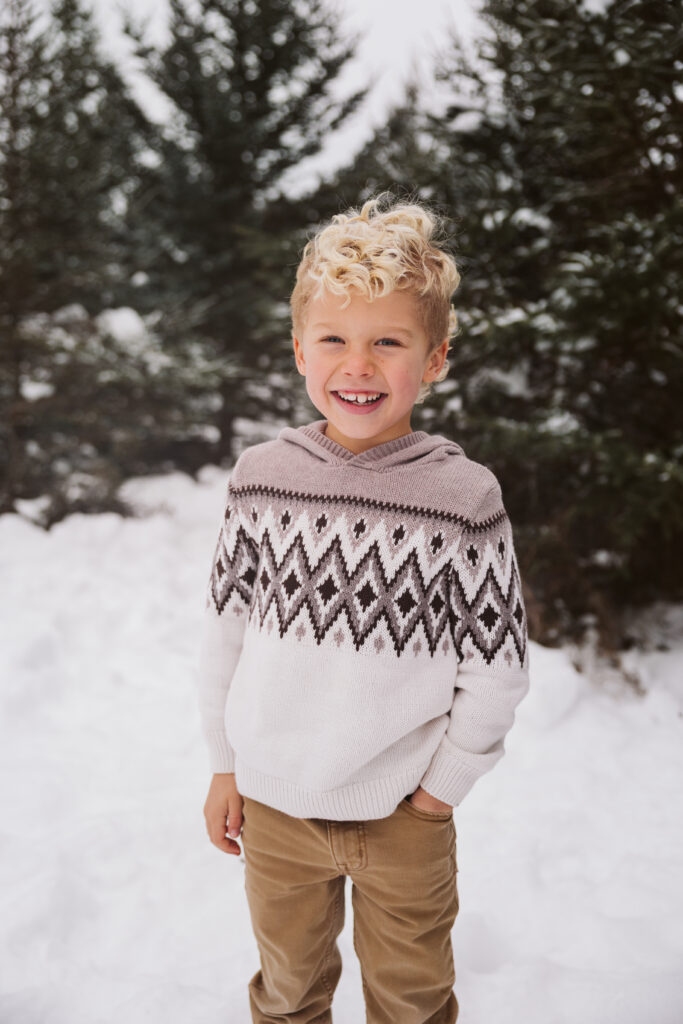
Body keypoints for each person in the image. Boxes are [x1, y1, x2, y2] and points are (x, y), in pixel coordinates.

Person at [198, 192, 530, 1024]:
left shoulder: (462, 497)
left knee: (412, 1002)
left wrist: (439, 793)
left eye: (388, 342)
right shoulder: (262, 478)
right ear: (299, 350)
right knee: (287, 994)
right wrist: (225, 765)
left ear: (435, 357)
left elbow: (496, 666)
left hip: (401, 816)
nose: (358, 365)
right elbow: (224, 636)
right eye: (334, 340)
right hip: (274, 809)